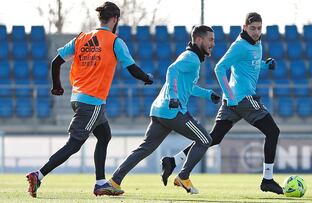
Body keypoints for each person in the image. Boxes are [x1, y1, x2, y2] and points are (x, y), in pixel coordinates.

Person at [26, 1, 153, 198]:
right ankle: (38, 175)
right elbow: (131, 68)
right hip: (92, 101)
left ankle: (100, 183)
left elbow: (56, 62)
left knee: (104, 136)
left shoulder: (82, 38)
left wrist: (57, 86)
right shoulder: (114, 41)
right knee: (74, 144)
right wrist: (147, 78)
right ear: (115, 19)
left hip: (78, 97)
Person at [161, 12, 284, 195]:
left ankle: (173, 161)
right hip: (242, 98)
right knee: (273, 131)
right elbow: (220, 68)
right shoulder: (240, 46)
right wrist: (230, 96)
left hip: (233, 101)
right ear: (244, 28)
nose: (256, 32)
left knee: (213, 138)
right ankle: (267, 179)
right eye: (252, 28)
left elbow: (251, 64)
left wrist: (266, 64)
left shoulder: (255, 44)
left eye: (259, 28)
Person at [96, 25, 220, 195]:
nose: (213, 43)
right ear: (199, 39)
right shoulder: (191, 57)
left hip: (160, 110)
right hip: (173, 111)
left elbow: (188, 86)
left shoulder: (192, 58)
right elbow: (172, 70)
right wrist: (174, 97)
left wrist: (207, 94)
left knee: (144, 148)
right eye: (210, 39)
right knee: (205, 139)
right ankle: (183, 176)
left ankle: (114, 181)